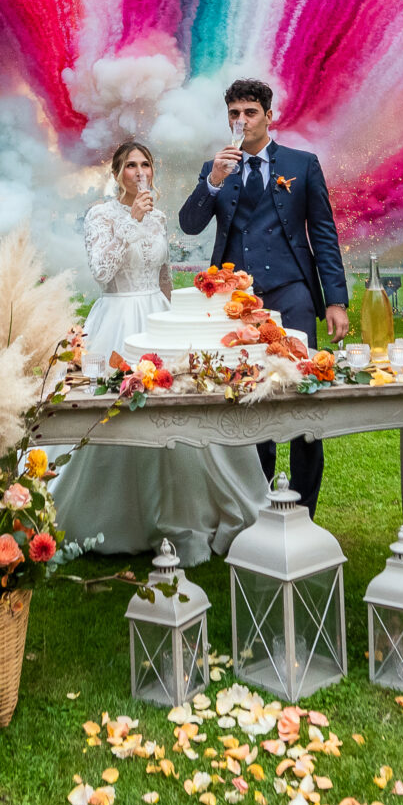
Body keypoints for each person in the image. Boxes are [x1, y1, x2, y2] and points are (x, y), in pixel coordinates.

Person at [53, 140, 270, 565]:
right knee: (116, 413)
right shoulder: (101, 215)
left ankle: (185, 510)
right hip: (117, 319)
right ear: (117, 174)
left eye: (145, 165)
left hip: (158, 318)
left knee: (178, 409)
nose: (140, 172)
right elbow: (101, 271)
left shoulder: (158, 216)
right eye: (131, 166)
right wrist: (131, 220)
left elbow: (164, 275)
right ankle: (110, 516)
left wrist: (175, 318)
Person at [176, 78, 348, 513]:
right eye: (234, 113)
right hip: (238, 303)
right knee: (249, 395)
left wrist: (335, 301)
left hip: (293, 292)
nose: (242, 121)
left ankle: (305, 510)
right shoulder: (216, 168)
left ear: (269, 116)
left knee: (304, 393)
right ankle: (257, 505)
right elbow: (189, 225)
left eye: (250, 112)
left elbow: (323, 233)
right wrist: (213, 180)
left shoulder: (302, 164)